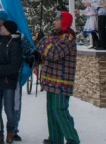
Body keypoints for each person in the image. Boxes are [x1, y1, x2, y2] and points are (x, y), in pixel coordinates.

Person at [36, 11, 80, 144]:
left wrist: (42, 41)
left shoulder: (68, 38)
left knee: (59, 110)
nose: (54, 22)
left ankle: (73, 139)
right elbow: (46, 54)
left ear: (64, 22)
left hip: (61, 81)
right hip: (50, 80)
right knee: (51, 111)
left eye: (57, 20)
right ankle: (55, 139)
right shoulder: (55, 37)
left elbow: (54, 53)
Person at [0, 20, 23, 144]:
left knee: (9, 109)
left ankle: (10, 131)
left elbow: (14, 66)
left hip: (8, 80)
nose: (0, 28)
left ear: (9, 29)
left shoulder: (15, 44)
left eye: (3, 27)